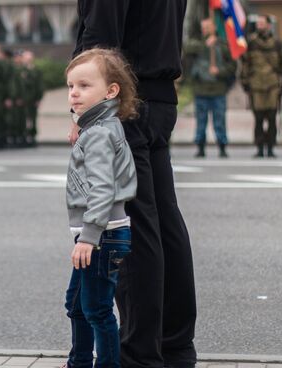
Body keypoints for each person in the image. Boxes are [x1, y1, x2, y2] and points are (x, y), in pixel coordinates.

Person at [72, 1, 197, 367]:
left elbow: (100, 41)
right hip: (158, 96)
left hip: (122, 99)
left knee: (133, 229)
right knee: (164, 220)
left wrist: (84, 108)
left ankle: (140, 355)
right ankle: (174, 347)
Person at [64, 47, 138, 368]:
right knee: (78, 305)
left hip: (101, 235)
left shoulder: (99, 135)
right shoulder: (100, 126)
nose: (74, 93)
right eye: (70, 86)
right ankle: (79, 361)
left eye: (84, 85)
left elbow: (103, 188)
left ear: (111, 91)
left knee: (96, 309)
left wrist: (88, 236)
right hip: (98, 235)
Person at [184, 18, 237, 158]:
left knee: (219, 121)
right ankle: (200, 147)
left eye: (208, 27)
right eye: (203, 27)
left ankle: (222, 146)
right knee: (201, 122)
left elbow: (233, 67)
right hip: (201, 90)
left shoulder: (223, 46)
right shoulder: (197, 45)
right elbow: (187, 49)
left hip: (218, 90)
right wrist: (205, 46)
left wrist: (219, 71)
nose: (205, 30)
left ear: (214, 27)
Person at [240, 15, 282, 158]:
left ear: (268, 25)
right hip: (256, 85)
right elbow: (246, 64)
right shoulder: (251, 43)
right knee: (259, 119)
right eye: (258, 24)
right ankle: (260, 147)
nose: (259, 26)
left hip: (272, 85)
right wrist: (244, 81)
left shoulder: (277, 43)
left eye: (262, 23)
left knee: (272, 118)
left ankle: (270, 147)